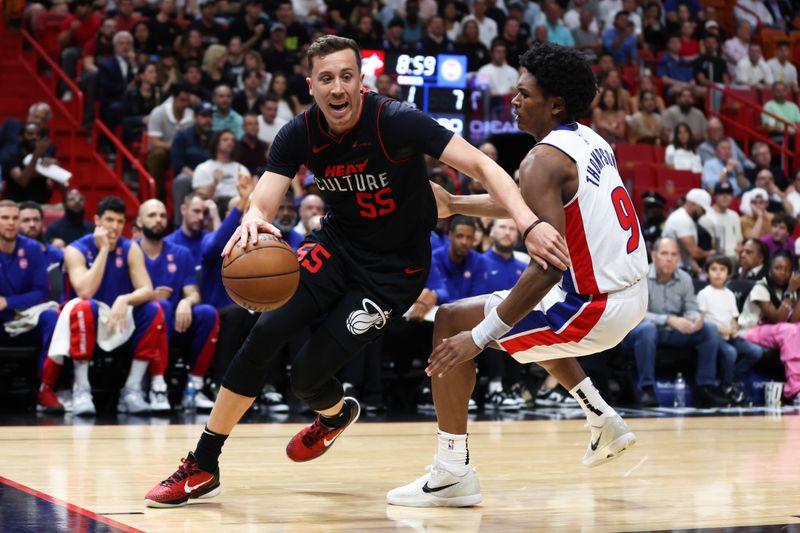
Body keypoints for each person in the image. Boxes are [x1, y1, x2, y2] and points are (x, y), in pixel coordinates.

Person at [144, 35, 568, 508]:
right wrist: (252, 218)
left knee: (305, 376)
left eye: (347, 76)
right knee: (266, 331)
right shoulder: (299, 133)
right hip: (336, 246)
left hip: (392, 273)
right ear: (311, 86)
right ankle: (204, 463)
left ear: (361, 82)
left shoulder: (396, 120)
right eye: (327, 78)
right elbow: (265, 197)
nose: (338, 87)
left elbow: (482, 166)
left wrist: (527, 223)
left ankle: (334, 415)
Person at [387, 43, 647, 507]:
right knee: (529, 324)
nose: (515, 100)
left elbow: (546, 268)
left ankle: (451, 473)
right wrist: (457, 205)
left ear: (556, 104)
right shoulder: (588, 140)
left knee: (454, 322)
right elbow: (531, 201)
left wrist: (480, 337)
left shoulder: (542, 160)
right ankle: (601, 417)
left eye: (525, 93)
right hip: (626, 295)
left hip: (591, 307)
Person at [45, 196, 168, 416]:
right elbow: (85, 291)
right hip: (84, 320)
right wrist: (103, 250)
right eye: (109, 220)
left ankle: (132, 389)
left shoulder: (130, 248)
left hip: (117, 317)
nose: (114, 227)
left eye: (120, 222)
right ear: (96, 220)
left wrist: (124, 299)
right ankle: (81, 389)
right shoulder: (75, 249)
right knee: (83, 306)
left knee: (154, 310)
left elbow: (147, 290)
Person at [621, 237, 727, 408]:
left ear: (678, 258)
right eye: (664, 254)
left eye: (673, 254)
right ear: (654, 256)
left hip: (673, 332)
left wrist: (695, 319)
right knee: (647, 329)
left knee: (709, 329)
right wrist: (668, 319)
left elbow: (691, 307)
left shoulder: (684, 278)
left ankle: (705, 388)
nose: (669, 258)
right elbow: (635, 314)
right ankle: (646, 388)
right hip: (643, 331)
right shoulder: (641, 276)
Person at [137, 200, 219, 411]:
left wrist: (186, 300)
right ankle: (157, 386)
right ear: (139, 221)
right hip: (139, 324)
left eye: (162, 215)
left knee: (207, 313)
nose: (158, 220)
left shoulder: (181, 253)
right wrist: (149, 297)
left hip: (175, 323)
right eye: (152, 215)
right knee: (160, 307)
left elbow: (193, 293)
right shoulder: (131, 251)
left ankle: (194, 387)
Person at [0, 200, 60, 412]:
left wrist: (8, 302)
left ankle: (47, 388)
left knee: (53, 317)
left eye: (15, 218)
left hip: (28, 319)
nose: (11, 223)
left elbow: (41, 292)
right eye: (5, 218)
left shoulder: (32, 248)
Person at [696, 255, 762, 405]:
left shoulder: (730, 294)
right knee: (730, 353)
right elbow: (701, 320)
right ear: (707, 273)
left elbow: (734, 318)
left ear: (728, 273)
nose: (718, 273)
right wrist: (722, 329)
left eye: (722, 269)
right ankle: (727, 387)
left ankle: (732, 378)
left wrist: (733, 328)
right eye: (713, 269)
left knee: (756, 352)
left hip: (730, 336)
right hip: (714, 337)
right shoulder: (704, 294)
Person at [737, 253, 800, 404]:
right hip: (750, 331)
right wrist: (790, 291)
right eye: (778, 268)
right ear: (769, 270)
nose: (783, 273)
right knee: (788, 331)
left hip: (776, 332)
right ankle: (795, 388)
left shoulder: (790, 288)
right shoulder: (760, 287)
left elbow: (794, 320)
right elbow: (777, 319)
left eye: (787, 269)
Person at [661, 188, 714, 274]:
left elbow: (686, 255)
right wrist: (710, 254)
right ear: (693, 204)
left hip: (678, 270)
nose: (703, 213)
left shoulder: (686, 218)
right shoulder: (681, 219)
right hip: (673, 271)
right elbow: (693, 252)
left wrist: (699, 272)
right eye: (702, 209)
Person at [191, 129, 251, 204]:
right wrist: (215, 182)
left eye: (232, 140)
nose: (230, 142)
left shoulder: (242, 169)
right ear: (216, 143)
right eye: (225, 140)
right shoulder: (203, 168)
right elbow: (200, 199)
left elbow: (249, 194)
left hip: (238, 205)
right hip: (215, 205)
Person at [165, 191, 219, 267]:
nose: (201, 217)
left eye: (204, 213)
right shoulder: (169, 243)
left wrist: (215, 217)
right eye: (196, 211)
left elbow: (220, 247)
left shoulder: (208, 239)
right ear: (183, 209)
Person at [698, 182, 743, 265]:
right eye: (721, 193)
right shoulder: (706, 217)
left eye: (728, 193)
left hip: (736, 261)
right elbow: (710, 246)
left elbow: (739, 241)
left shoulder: (735, 215)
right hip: (717, 261)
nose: (725, 196)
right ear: (714, 196)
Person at [18, 201, 64, 270]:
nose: (32, 225)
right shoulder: (7, 255)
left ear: (42, 222)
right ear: (17, 223)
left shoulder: (56, 255)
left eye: (36, 220)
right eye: (26, 220)